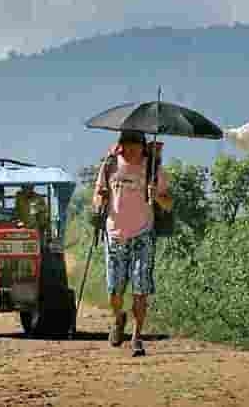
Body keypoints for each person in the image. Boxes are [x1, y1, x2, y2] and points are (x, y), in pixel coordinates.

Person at [92, 130, 173, 357]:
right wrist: (101, 198)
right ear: (120, 145)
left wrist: (156, 195)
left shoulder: (153, 169)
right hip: (114, 235)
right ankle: (119, 318)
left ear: (142, 146)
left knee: (140, 288)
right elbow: (97, 194)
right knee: (114, 291)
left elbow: (168, 204)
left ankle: (137, 337)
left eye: (134, 145)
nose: (129, 150)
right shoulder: (109, 165)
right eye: (125, 145)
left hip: (142, 235)